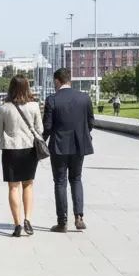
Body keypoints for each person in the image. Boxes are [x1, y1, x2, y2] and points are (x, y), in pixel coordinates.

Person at [42, 68, 94, 233]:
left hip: (58, 146)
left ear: (57, 81)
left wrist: (40, 140)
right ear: (69, 80)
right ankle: (79, 217)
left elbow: (48, 127)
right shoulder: (84, 98)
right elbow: (90, 122)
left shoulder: (52, 100)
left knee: (60, 182)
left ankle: (62, 222)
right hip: (79, 145)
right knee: (76, 179)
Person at [0, 75, 43, 237]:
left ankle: (17, 224)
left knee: (13, 186)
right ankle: (28, 219)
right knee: (28, 185)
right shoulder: (34, 106)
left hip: (10, 150)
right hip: (29, 149)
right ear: (27, 87)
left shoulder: (4, 108)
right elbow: (40, 129)